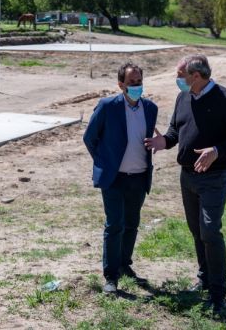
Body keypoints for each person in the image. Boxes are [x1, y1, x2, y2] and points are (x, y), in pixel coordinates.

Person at [145, 54, 226, 313]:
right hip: (188, 176)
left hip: (215, 177)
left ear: (197, 76)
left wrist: (217, 150)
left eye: (180, 75)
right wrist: (163, 142)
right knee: (196, 230)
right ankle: (204, 278)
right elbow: (175, 132)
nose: (177, 80)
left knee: (210, 231)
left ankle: (218, 292)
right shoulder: (184, 97)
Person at [83, 63, 159, 294]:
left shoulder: (151, 108)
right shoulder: (108, 106)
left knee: (132, 224)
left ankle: (125, 265)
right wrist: (104, 162)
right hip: (114, 178)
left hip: (138, 176)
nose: (136, 86)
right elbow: (90, 138)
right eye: (132, 82)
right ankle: (111, 276)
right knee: (114, 224)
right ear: (121, 84)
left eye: (139, 82)